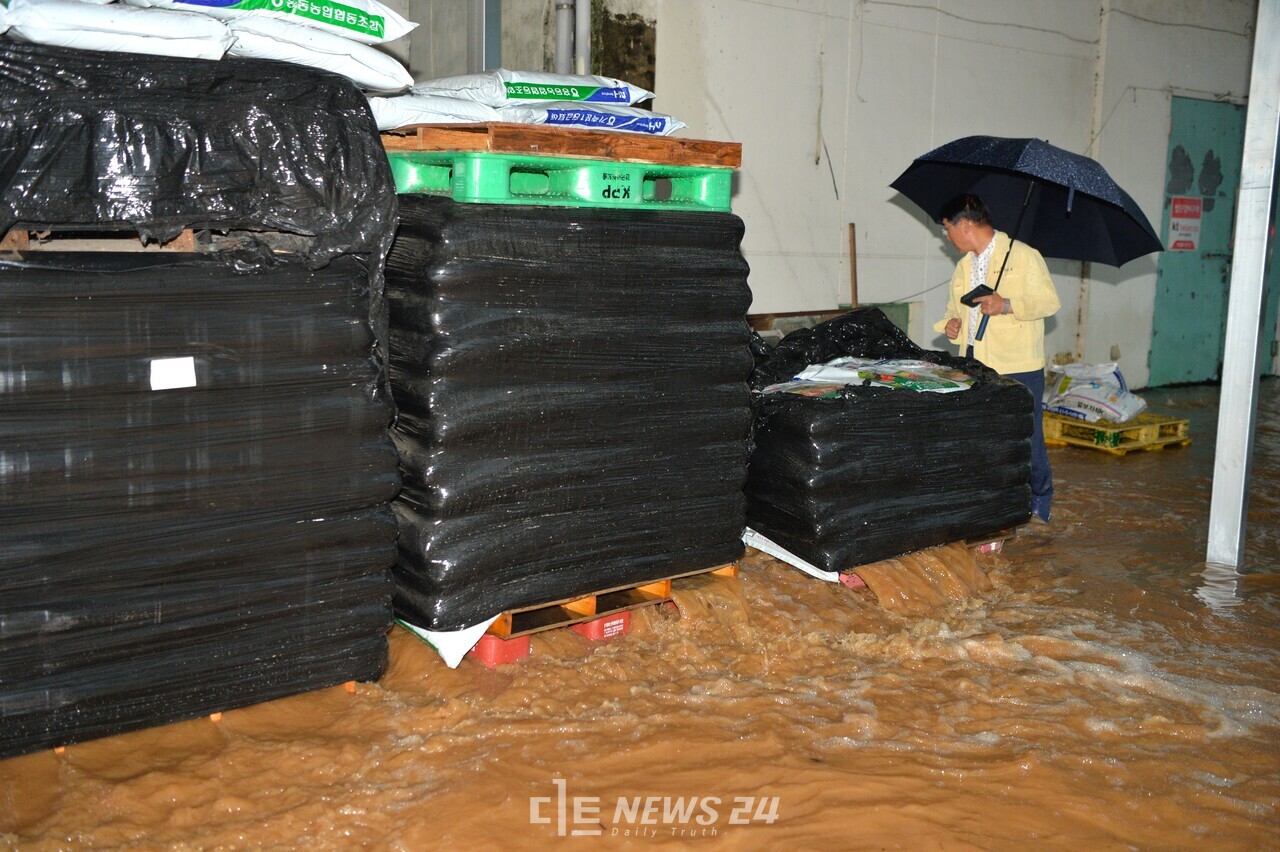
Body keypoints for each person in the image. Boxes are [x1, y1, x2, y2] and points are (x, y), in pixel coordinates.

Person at [932, 194, 1060, 523]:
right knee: (983, 436)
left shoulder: (1023, 256)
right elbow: (953, 310)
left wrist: (1007, 305)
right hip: (976, 361)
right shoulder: (963, 267)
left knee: (1026, 435)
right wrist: (951, 325)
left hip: (1018, 365)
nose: (947, 237)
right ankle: (995, 503)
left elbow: (1048, 302)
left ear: (965, 224)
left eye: (947, 229)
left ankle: (1040, 500)